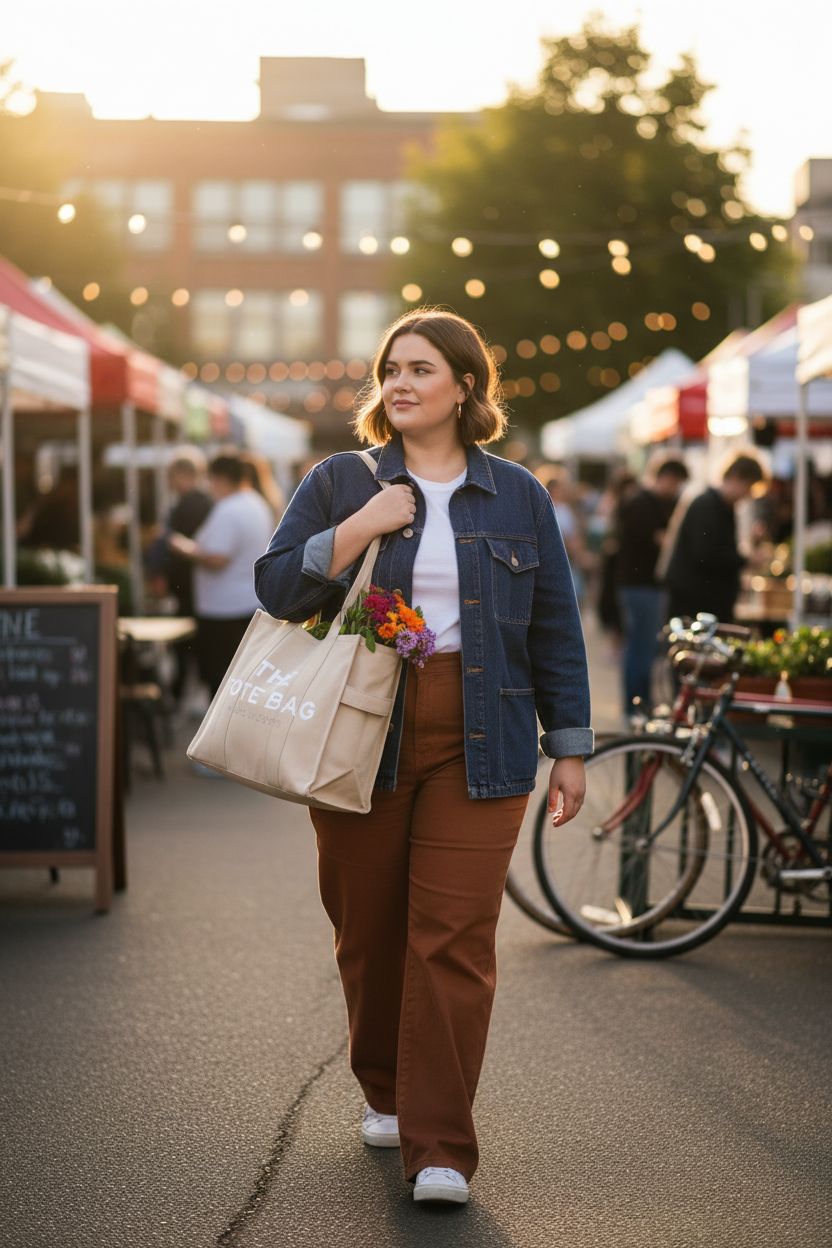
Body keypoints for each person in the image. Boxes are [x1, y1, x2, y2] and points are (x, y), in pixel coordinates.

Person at [254, 309, 594, 1207]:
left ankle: (440, 1144)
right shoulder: (340, 479)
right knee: (367, 931)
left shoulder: (518, 494)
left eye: (421, 369)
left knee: (455, 939)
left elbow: (554, 626)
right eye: (390, 369)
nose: (399, 383)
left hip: (486, 732)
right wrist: (365, 523)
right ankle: (385, 1089)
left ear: (466, 386)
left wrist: (571, 749)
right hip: (361, 729)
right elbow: (278, 585)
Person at [169, 453, 275, 700]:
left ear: (219, 479)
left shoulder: (229, 510)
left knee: (221, 679)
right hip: (248, 601)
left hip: (222, 608)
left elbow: (217, 557)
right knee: (243, 677)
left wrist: (182, 546)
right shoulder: (255, 502)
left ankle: (222, 735)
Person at [661, 450, 770, 625]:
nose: (748, 495)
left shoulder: (720, 507)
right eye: (749, 488)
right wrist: (745, 560)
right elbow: (705, 554)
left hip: (702, 601)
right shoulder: (707, 506)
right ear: (736, 478)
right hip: (696, 603)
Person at [616, 455, 689, 710]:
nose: (676, 488)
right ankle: (636, 703)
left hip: (641, 586)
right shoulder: (642, 504)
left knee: (641, 646)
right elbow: (661, 540)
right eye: (675, 482)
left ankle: (636, 702)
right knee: (642, 648)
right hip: (640, 586)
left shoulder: (649, 502)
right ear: (665, 478)